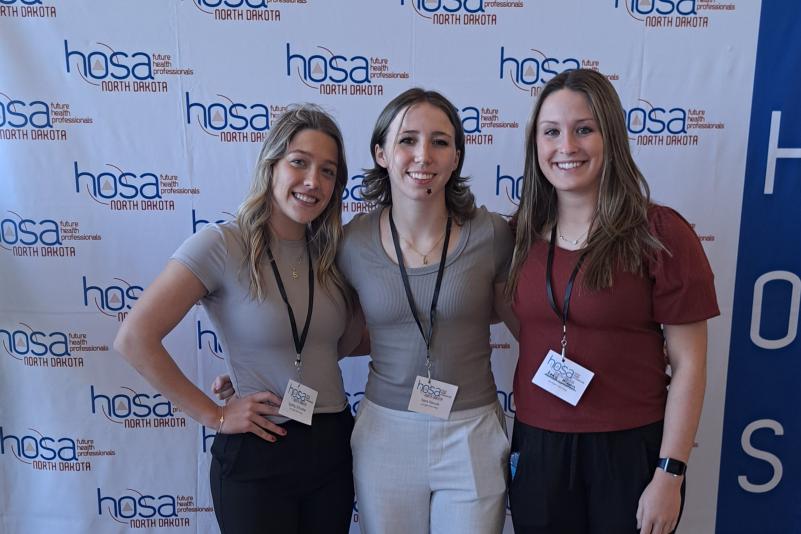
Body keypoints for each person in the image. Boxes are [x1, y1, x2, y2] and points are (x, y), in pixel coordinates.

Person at [114, 104, 363, 534]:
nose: (312, 182)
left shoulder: (333, 254)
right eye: (299, 163)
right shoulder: (220, 244)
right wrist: (215, 414)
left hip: (333, 446)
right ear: (270, 165)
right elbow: (135, 338)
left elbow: (333, 346)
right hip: (259, 450)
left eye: (328, 171)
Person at [506, 68, 719, 534]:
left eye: (584, 129)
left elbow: (690, 366)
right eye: (551, 132)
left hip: (628, 450)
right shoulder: (518, 235)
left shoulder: (659, 234)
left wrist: (670, 473)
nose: (567, 146)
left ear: (612, 137)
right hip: (539, 446)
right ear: (534, 144)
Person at [339, 88, 517, 534]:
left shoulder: (491, 233)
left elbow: (524, 321)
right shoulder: (351, 242)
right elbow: (322, 329)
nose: (424, 155)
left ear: (456, 156)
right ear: (381, 153)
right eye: (407, 140)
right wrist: (256, 374)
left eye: (440, 141)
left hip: (471, 432)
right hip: (386, 434)